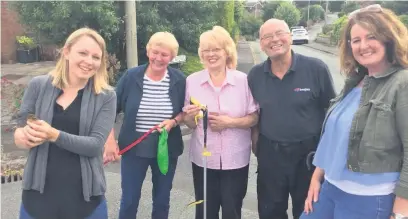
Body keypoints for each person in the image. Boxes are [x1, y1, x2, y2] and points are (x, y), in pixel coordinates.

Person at [301, 4, 408, 219]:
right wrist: (317, 176)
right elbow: (334, 136)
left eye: (371, 37)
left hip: (369, 199)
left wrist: (402, 211)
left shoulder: (402, 83)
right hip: (330, 188)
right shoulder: (356, 81)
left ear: (388, 39)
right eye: (356, 40)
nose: (363, 46)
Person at [14, 27, 117, 219]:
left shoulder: (106, 96)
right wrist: (21, 137)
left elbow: (95, 146)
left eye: (96, 57)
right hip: (38, 198)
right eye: (83, 53)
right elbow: (23, 124)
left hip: (85, 201)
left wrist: (53, 134)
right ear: (67, 52)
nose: (89, 61)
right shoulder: (38, 85)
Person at [247, 19, 336, 219]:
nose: (275, 39)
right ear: (261, 43)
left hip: (308, 156)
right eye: (267, 36)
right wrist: (256, 143)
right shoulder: (254, 75)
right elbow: (253, 113)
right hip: (271, 155)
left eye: (280, 33)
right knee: (270, 212)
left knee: (307, 212)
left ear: (290, 36)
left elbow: (333, 113)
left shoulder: (316, 69)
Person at [103, 31, 186, 219]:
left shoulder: (179, 80)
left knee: (162, 200)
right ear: (148, 51)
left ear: (172, 57)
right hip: (134, 149)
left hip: (166, 148)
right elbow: (110, 110)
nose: (158, 58)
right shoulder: (131, 77)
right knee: (130, 199)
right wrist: (109, 141)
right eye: (155, 52)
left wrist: (174, 121)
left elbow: (185, 111)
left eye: (165, 54)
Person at [183, 26, 259, 219]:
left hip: (235, 159)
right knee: (205, 211)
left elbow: (254, 117)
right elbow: (189, 122)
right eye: (206, 50)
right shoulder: (192, 81)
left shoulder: (243, 81)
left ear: (227, 52)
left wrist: (229, 122)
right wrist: (191, 118)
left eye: (216, 49)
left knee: (232, 210)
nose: (211, 54)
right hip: (203, 160)